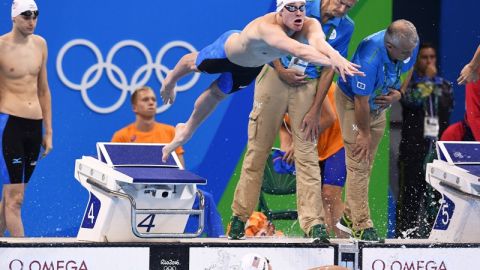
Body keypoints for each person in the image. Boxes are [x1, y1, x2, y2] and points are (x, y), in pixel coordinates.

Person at [160, 0, 364, 162]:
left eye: (302, 8)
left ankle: (186, 129)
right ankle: (170, 78)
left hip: (249, 68)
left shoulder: (311, 23)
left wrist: (336, 58)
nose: (299, 13)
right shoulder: (270, 28)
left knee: (217, 94)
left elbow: (318, 42)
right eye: (292, 8)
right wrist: (335, 61)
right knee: (194, 63)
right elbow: (300, 50)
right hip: (229, 52)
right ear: (281, 11)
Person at [227, 0, 359, 243]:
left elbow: (329, 69)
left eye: (348, 7)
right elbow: (267, 39)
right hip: (275, 77)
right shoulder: (298, 5)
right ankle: (239, 216)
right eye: (340, 2)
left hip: (306, 85)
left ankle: (313, 223)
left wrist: (315, 109)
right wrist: (280, 69)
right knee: (257, 150)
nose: (342, 10)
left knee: (307, 155)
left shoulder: (346, 27)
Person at [335, 20, 419, 242]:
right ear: (390, 47)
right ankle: (361, 225)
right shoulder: (369, 58)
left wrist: (399, 92)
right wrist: (363, 133)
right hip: (354, 104)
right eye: (406, 52)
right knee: (358, 161)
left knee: (366, 164)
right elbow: (360, 102)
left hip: (379, 102)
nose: (410, 53)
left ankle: (348, 216)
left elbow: (411, 66)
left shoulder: (409, 43)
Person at [111, 86, 224, 237]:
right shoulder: (121, 136)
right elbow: (113, 173)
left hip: (169, 191)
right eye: (145, 100)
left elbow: (180, 169)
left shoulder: (170, 132)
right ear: (135, 107)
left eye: (153, 99)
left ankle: (219, 243)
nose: (151, 103)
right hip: (136, 193)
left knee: (205, 199)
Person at [0, 0, 52, 237]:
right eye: (26, 16)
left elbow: (43, 89)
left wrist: (48, 131)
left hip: (34, 127)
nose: (32, 21)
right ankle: (25, 253)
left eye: (35, 15)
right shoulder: (0, 46)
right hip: (9, 125)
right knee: (16, 199)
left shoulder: (40, 44)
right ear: (14, 17)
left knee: (10, 200)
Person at [395, 43, 453, 238]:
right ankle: (404, 238)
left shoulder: (443, 85)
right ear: (417, 61)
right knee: (409, 199)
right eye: (424, 57)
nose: (429, 61)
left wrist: (433, 82)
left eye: (432, 57)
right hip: (414, 151)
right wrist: (428, 80)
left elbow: (447, 103)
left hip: (436, 152)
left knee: (436, 200)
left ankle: (433, 238)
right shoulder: (410, 85)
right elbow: (410, 100)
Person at [279, 83, 347, 238]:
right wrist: (285, 148)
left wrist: (298, 143)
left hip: (337, 138)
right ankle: (325, 243)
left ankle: (345, 245)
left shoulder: (313, 82)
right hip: (312, 143)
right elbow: (283, 123)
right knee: (317, 197)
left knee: (330, 194)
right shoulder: (279, 87)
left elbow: (329, 118)